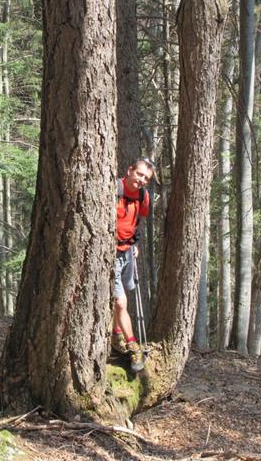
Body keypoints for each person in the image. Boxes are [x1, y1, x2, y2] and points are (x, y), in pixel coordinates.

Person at [112, 158, 155, 372]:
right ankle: (131, 344)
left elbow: (139, 219)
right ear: (129, 170)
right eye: (139, 174)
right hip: (109, 253)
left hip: (128, 251)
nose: (141, 180)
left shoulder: (143, 196)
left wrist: (134, 243)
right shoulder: (113, 189)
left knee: (122, 297)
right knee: (120, 302)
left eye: (145, 178)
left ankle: (115, 334)